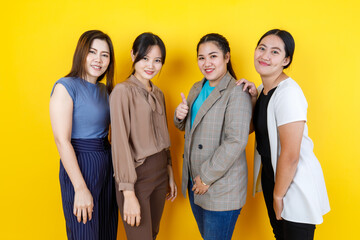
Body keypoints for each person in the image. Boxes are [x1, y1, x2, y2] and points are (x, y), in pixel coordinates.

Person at [238, 29, 330, 240]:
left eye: (275, 52)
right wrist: (253, 98)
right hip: (274, 178)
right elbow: (253, 128)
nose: (265, 56)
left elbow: (290, 154)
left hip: (294, 183)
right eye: (262, 48)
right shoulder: (264, 89)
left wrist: (278, 195)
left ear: (286, 60)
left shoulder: (289, 93)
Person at [174, 33, 252, 240]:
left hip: (219, 187)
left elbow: (236, 141)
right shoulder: (197, 88)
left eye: (213, 56)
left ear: (227, 57)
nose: (206, 63)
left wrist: (205, 178)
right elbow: (189, 127)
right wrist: (179, 115)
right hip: (195, 183)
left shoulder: (237, 92)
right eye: (201, 58)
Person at [49, 30, 118, 240]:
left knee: (107, 231)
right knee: (84, 232)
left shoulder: (106, 90)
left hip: (107, 163)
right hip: (81, 164)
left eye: (105, 55)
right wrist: (80, 188)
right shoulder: (65, 86)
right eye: (92, 52)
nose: (99, 59)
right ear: (81, 53)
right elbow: (62, 141)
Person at [110, 32, 177, 240]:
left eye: (157, 60)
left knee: (152, 234)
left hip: (160, 172)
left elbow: (163, 138)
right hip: (136, 175)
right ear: (133, 55)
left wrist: (170, 174)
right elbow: (119, 143)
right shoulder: (122, 91)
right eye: (145, 58)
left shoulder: (158, 93)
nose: (151, 65)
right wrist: (128, 193)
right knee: (140, 236)